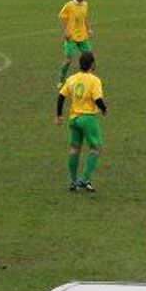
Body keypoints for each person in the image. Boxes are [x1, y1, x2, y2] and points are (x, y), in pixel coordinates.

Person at [55, 52, 106, 192]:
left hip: (74, 119)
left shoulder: (71, 79)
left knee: (74, 149)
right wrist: (104, 109)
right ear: (92, 64)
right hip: (88, 118)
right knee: (96, 148)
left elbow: (61, 96)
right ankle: (85, 179)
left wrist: (59, 115)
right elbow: (98, 99)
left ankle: (73, 181)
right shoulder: (94, 80)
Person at [58, 0, 94, 85]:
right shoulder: (69, 6)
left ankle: (88, 79)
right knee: (68, 60)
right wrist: (65, 31)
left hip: (83, 36)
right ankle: (61, 80)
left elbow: (85, 18)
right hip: (71, 37)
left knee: (89, 57)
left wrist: (89, 29)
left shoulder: (85, 5)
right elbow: (62, 17)